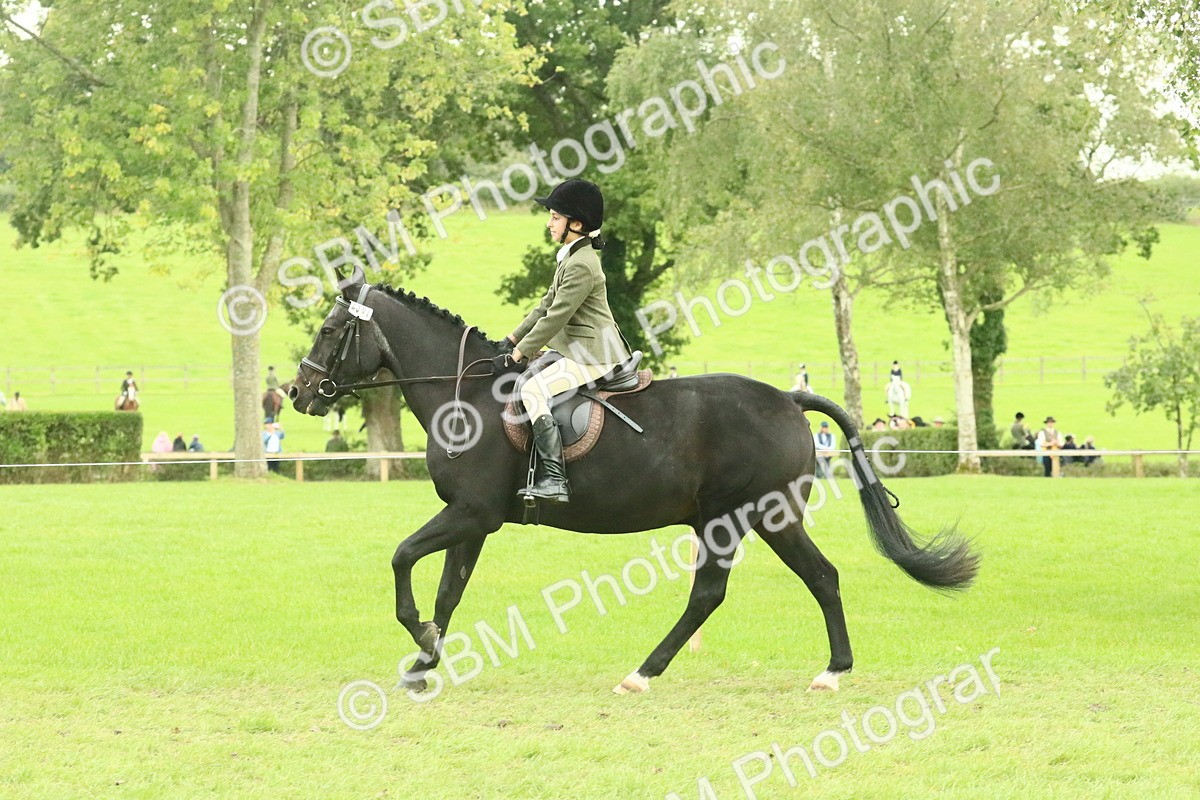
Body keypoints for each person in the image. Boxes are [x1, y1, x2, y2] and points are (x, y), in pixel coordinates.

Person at [501, 179, 633, 504]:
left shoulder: (583, 266)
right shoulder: (571, 258)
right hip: (576, 350)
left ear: (576, 223)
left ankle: (555, 480)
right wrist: (512, 338)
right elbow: (545, 304)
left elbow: (556, 317)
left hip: (594, 355)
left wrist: (522, 352)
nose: (549, 223)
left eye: (555, 217)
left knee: (532, 391)